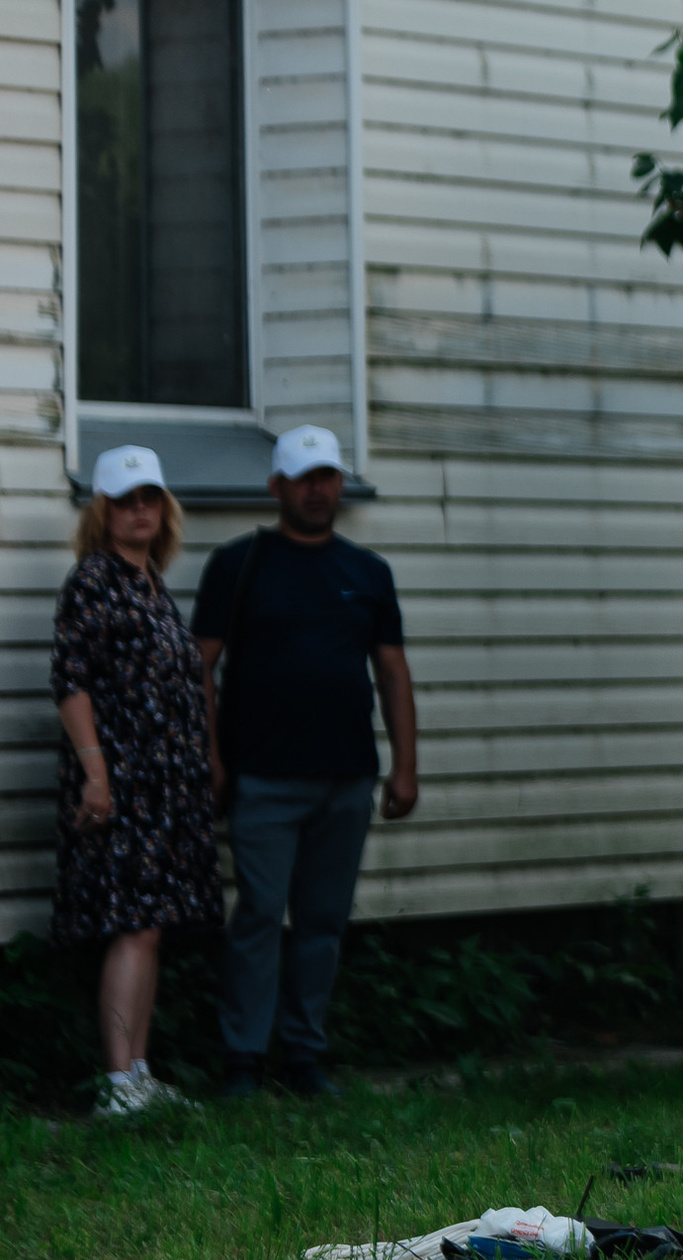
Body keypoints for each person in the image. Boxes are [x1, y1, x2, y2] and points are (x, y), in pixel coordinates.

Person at [193, 425, 417, 1100]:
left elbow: (393, 672)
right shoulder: (239, 564)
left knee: (322, 921)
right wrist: (210, 756)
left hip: (347, 774)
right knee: (260, 913)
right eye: (304, 478)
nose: (319, 490)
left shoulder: (367, 571)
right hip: (262, 774)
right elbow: (199, 668)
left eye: (328, 477)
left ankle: (304, 1055)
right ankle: (242, 1059)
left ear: (339, 484)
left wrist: (405, 765)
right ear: (277, 487)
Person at [50, 446, 224, 1116]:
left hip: (166, 787)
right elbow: (71, 681)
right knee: (133, 926)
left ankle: (141, 1072)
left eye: (149, 497)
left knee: (151, 928)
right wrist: (96, 773)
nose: (140, 510)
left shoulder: (150, 580)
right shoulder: (94, 580)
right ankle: (120, 1083)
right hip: (120, 783)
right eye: (125, 501)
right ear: (103, 512)